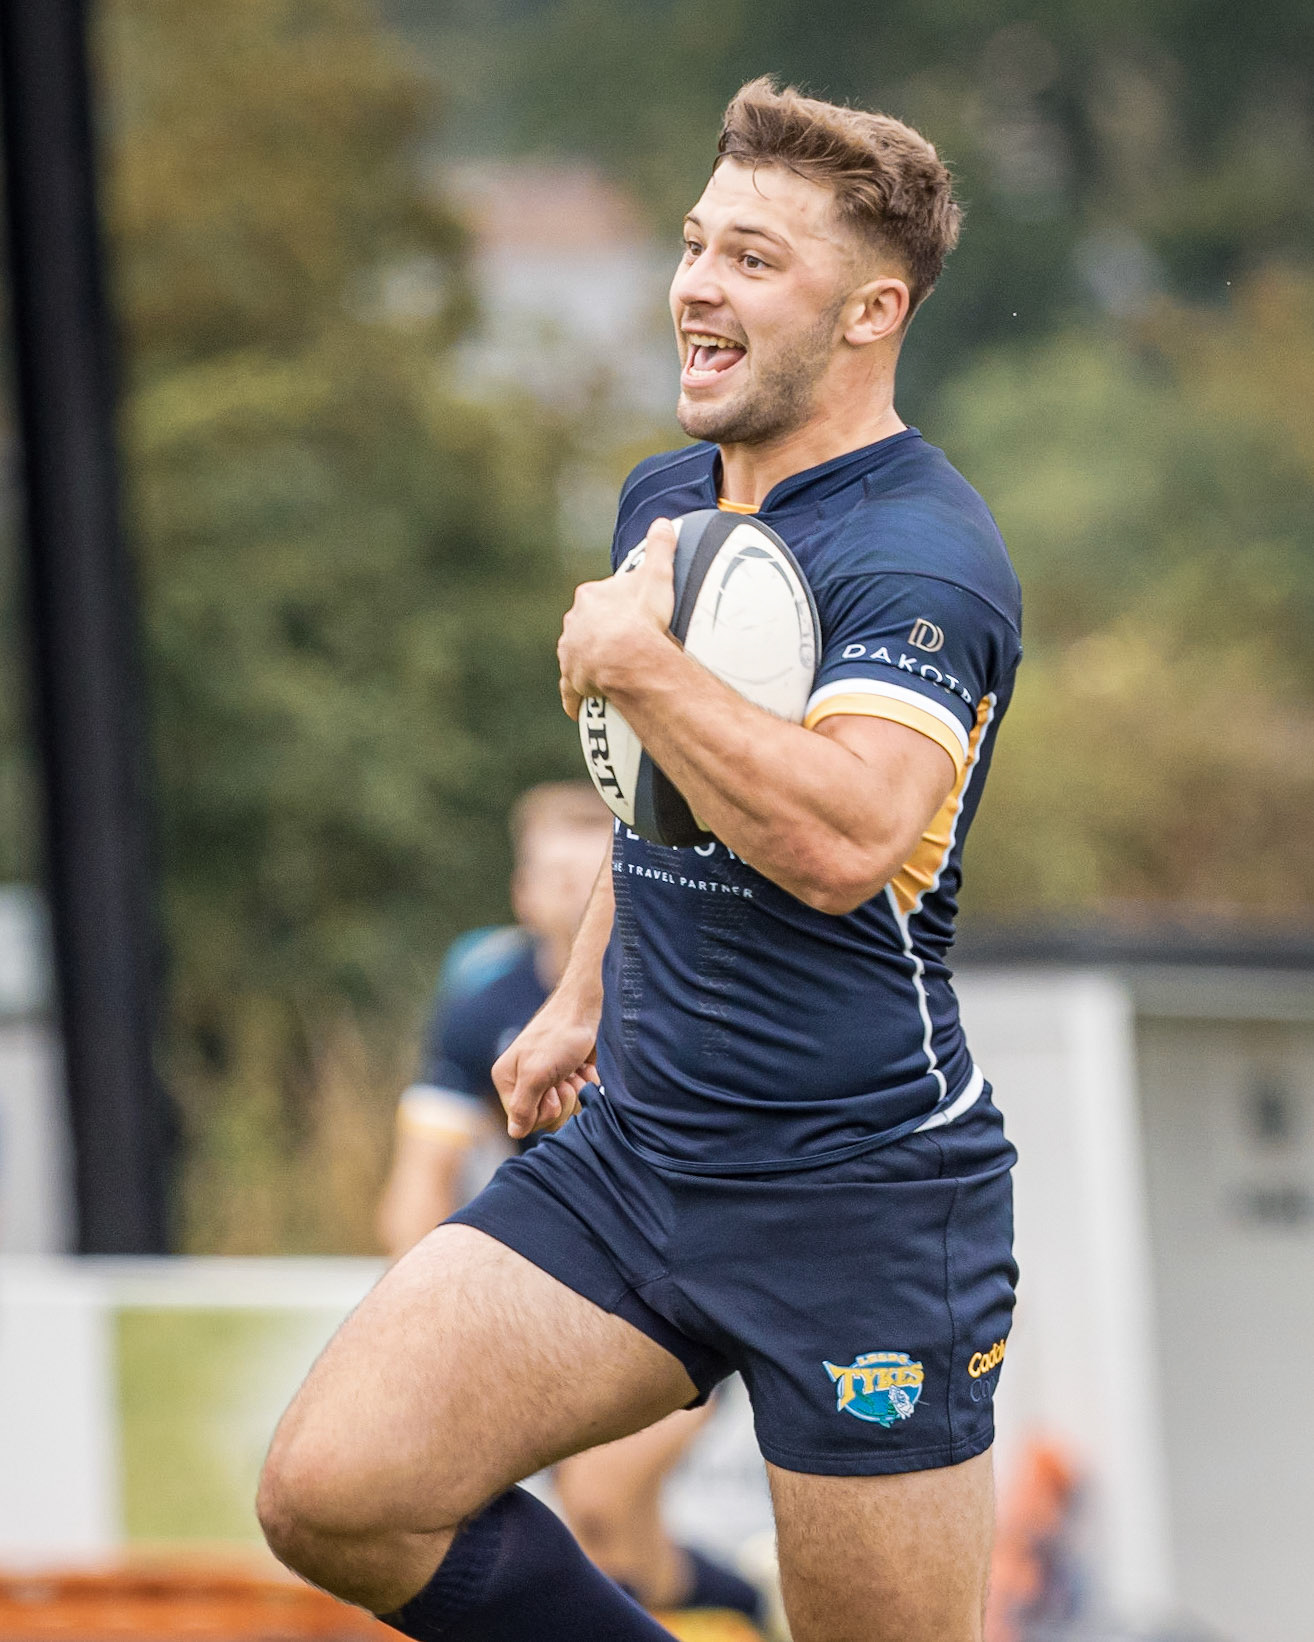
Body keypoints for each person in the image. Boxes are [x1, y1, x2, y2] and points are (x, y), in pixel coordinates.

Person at [258, 76, 1022, 1642]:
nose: (694, 286)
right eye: (692, 244)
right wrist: (581, 997)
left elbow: (843, 838)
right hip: (639, 1156)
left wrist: (639, 664)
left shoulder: (922, 554)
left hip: (858, 1202)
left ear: (871, 310)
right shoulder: (667, 499)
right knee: (335, 1488)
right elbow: (660, 799)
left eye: (752, 258)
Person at [374, 779, 764, 1624]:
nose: (572, 896)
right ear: (521, 893)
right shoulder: (484, 1002)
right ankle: (744, 1605)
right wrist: (423, 1318)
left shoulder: (681, 990)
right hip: (567, 1281)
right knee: (616, 1535)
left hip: (690, 1281)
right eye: (550, 877)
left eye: (589, 879)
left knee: (595, 1504)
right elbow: (418, 1184)